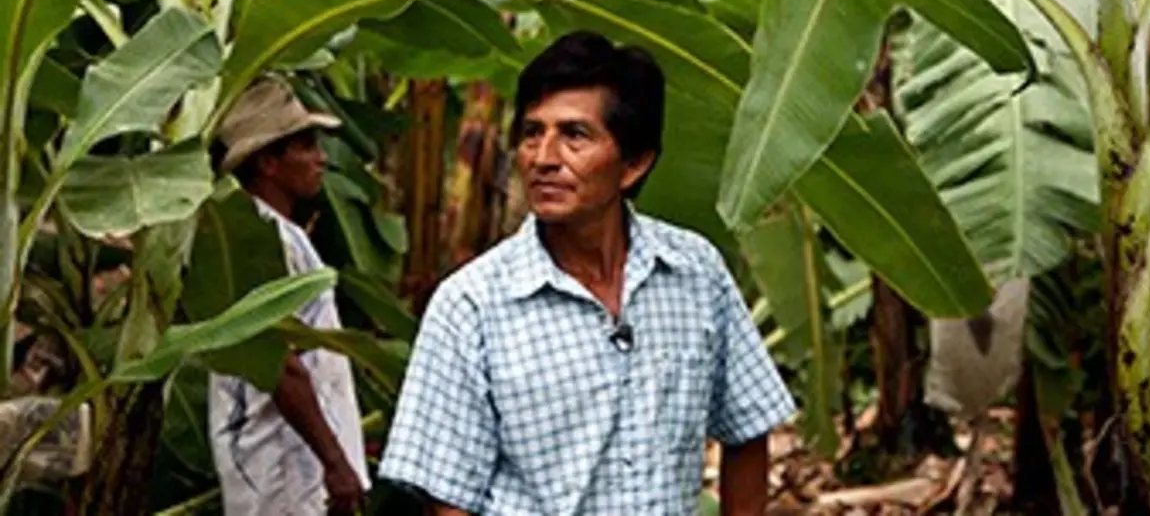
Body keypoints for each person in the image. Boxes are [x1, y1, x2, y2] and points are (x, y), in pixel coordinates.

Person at [380, 31, 795, 514]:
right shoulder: (471, 305)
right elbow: (449, 499)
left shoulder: (695, 272)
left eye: (574, 135)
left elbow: (747, 429)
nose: (544, 158)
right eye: (533, 132)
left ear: (634, 164)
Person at [211, 76, 369, 516]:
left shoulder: (274, 232)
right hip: (282, 469)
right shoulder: (261, 239)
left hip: (283, 469)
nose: (321, 158)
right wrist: (335, 463)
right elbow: (282, 365)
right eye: (305, 146)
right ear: (268, 162)